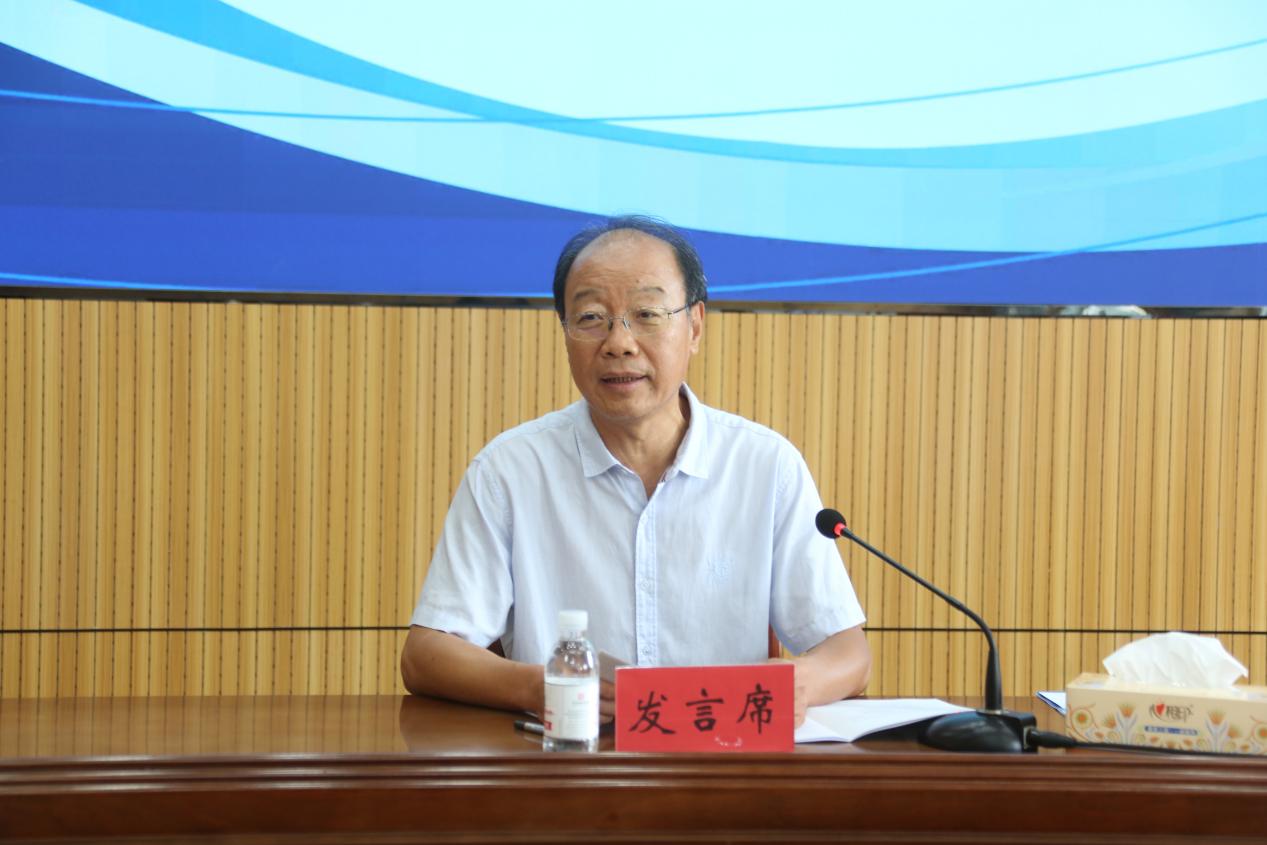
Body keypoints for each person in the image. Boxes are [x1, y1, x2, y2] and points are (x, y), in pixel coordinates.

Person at [401, 216, 870, 726]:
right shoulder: (510, 471)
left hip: (722, 760)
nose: (619, 343)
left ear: (694, 327)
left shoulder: (765, 466)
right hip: (567, 760)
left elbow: (848, 653)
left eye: (647, 314)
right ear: (564, 332)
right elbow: (427, 656)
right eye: (591, 318)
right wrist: (544, 685)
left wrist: (801, 683)